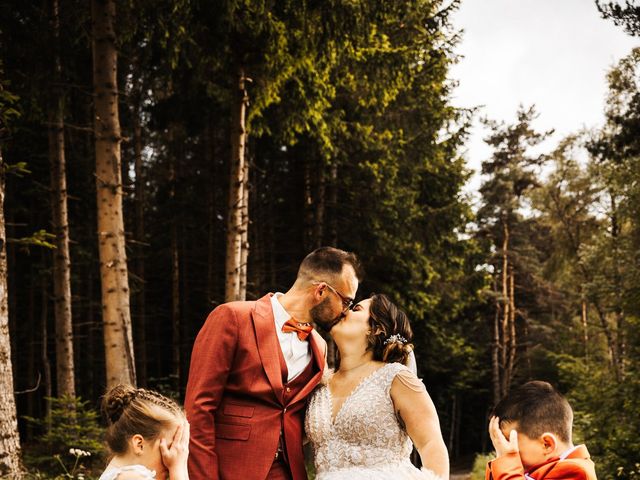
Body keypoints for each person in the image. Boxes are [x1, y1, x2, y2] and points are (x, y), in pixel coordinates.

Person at [185, 247, 362, 480]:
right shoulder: (232, 317)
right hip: (232, 469)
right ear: (320, 291)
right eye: (346, 301)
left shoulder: (319, 346)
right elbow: (198, 408)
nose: (346, 312)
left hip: (289, 472)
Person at [305, 294, 449, 480]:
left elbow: (431, 443)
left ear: (377, 329)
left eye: (356, 308)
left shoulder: (395, 378)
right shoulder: (319, 383)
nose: (344, 311)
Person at [486, 380, 597, 480]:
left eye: (509, 441)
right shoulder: (528, 471)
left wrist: (506, 462)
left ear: (546, 444)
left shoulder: (577, 472)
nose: (506, 448)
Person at [99, 384, 190, 480]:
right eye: (170, 448)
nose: (175, 459)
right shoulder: (131, 477)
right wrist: (179, 468)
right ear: (139, 444)